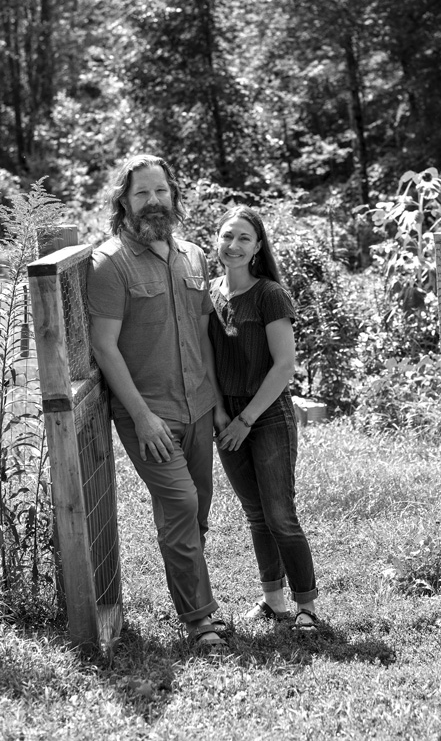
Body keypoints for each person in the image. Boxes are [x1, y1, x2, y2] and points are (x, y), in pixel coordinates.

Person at [87, 154, 229, 650]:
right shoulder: (109, 264)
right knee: (181, 503)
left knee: (198, 507)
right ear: (123, 202)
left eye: (161, 191)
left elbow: (203, 335)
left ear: (174, 195)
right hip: (149, 414)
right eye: (142, 193)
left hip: (198, 406)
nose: (154, 201)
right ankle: (199, 619)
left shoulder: (193, 256)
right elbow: (104, 347)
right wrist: (142, 417)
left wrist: (216, 403)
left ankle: (192, 594)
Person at [209, 205, 320, 632]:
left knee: (279, 515)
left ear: (257, 247)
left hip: (267, 413)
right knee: (255, 514)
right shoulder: (210, 294)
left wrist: (247, 419)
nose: (233, 245)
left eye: (244, 238)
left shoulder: (269, 294)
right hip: (227, 416)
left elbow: (284, 366)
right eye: (227, 236)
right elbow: (207, 361)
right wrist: (222, 413)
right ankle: (274, 601)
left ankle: (307, 606)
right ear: (217, 241)